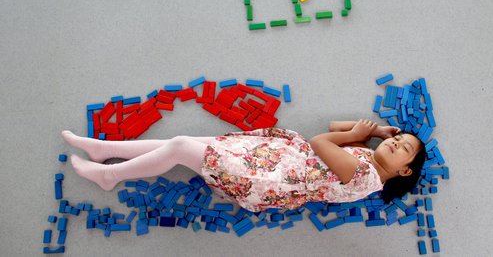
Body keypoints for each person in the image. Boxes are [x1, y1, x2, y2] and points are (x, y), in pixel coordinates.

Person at [61, 119, 425, 212]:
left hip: (269, 179)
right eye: (397, 138)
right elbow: (335, 129)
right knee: (189, 144)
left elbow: (321, 141)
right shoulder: (365, 156)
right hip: (279, 156)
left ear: (405, 170)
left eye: (402, 147)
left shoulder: (363, 176)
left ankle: (109, 174)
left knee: (182, 146)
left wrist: (361, 134)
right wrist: (374, 131)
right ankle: (102, 149)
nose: (394, 142)